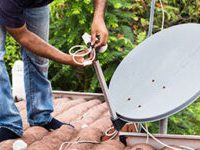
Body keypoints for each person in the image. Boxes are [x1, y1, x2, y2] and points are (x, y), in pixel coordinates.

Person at [0, 0, 108, 142]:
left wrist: (98, 18)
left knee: (39, 58)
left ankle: (41, 116)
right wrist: (68, 59)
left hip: (35, 4)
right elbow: (23, 36)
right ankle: (8, 123)